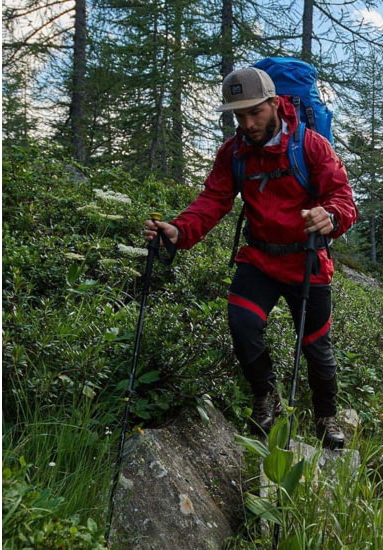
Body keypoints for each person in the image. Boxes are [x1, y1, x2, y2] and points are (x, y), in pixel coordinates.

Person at [143, 66, 357, 449]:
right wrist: (179, 230)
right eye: (238, 115)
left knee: (315, 345)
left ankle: (325, 415)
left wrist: (331, 216)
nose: (247, 122)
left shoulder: (312, 146)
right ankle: (266, 395)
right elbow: (213, 200)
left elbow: (342, 198)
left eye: (254, 112)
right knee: (242, 323)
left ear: (274, 103)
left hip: (306, 260)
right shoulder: (234, 152)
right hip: (258, 257)